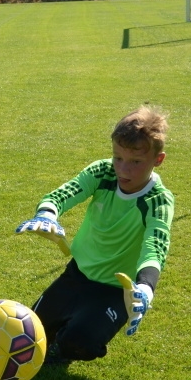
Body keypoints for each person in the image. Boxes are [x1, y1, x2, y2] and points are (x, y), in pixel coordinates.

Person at [15, 106, 174, 363]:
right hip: (78, 274)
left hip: (116, 290)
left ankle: (73, 338)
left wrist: (145, 288)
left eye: (136, 162)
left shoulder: (158, 201)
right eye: (118, 158)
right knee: (29, 332)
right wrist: (46, 213)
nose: (123, 169)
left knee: (79, 344)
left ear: (158, 160)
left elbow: (156, 245)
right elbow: (64, 193)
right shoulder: (102, 172)